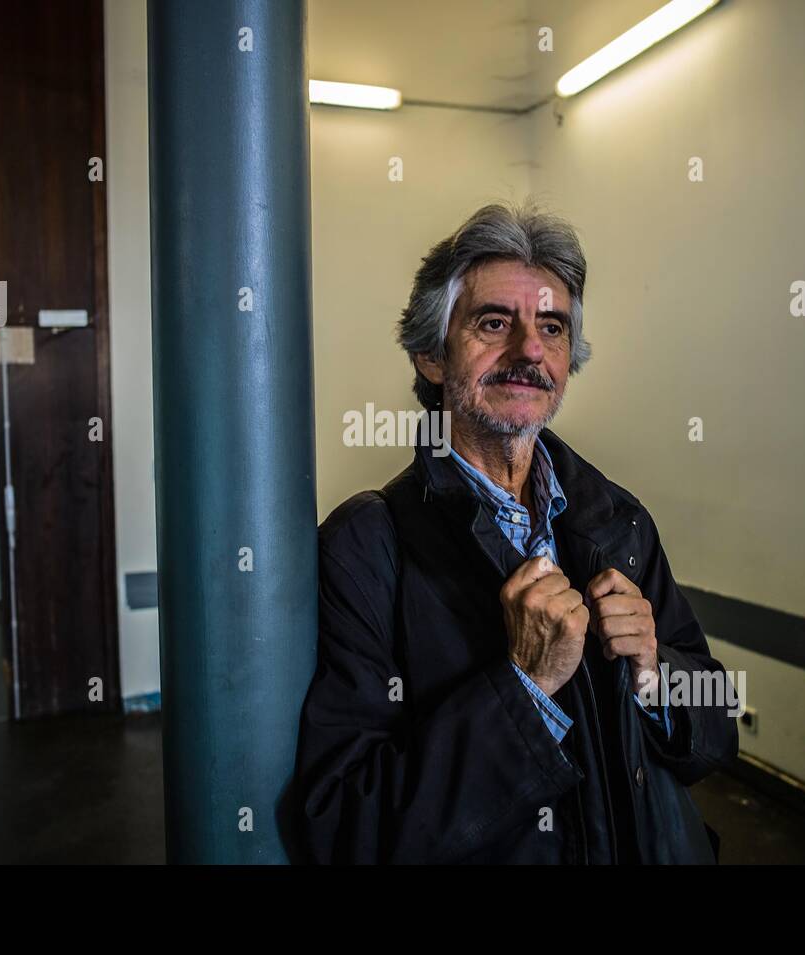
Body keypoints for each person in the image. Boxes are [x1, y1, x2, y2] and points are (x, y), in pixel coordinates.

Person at [293, 202, 738, 864]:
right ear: (431, 355)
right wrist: (523, 687)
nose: (529, 349)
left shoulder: (618, 519)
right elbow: (348, 827)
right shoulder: (367, 548)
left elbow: (718, 728)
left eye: (551, 327)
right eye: (494, 322)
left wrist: (656, 674)